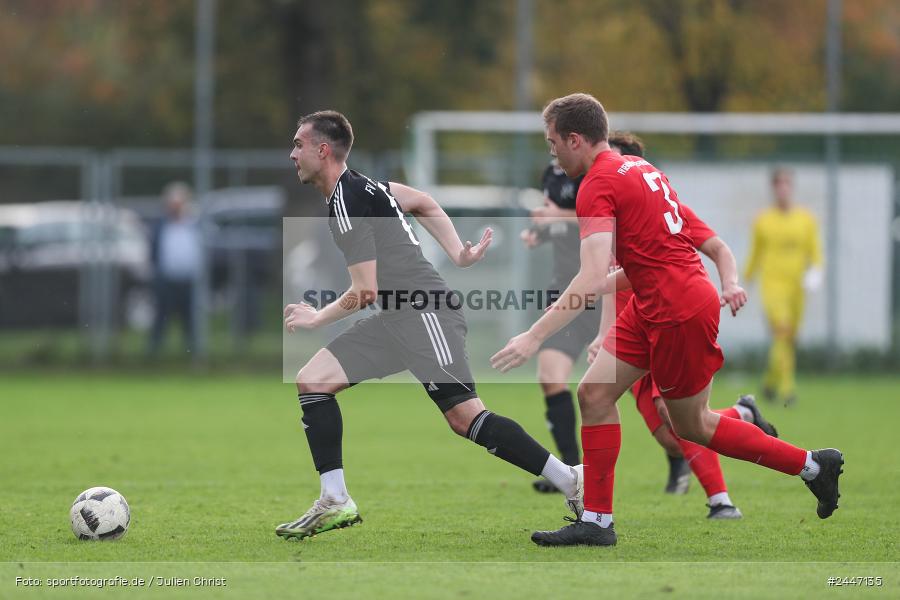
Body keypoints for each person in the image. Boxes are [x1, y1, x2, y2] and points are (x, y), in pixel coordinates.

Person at [491, 93, 843, 547]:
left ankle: (813, 465)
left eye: (553, 142)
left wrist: (533, 336)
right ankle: (597, 522)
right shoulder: (640, 168)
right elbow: (641, 264)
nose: (552, 154)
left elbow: (595, 273)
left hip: (677, 309)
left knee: (692, 426)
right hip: (653, 301)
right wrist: (589, 290)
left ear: (575, 139)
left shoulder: (596, 184)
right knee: (595, 394)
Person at [277, 110, 581, 540]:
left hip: (425, 312)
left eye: (298, 145)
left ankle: (571, 480)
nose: (293, 154)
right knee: (313, 381)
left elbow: (365, 289)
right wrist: (457, 252)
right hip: (396, 317)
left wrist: (317, 316)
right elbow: (421, 201)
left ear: (322, 150)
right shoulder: (364, 188)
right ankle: (335, 499)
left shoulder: (349, 199)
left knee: (464, 416)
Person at [592, 131, 780, 518]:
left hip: (665, 321)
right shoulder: (601, 215)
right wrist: (601, 334)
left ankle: (721, 501)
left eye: (614, 160)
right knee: (672, 438)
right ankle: (742, 413)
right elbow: (607, 285)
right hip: (628, 336)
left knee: (675, 418)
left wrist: (730, 284)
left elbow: (718, 248)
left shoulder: (661, 212)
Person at [519, 158, 590, 491]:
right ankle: (571, 471)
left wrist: (555, 216)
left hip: (605, 292)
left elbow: (603, 221)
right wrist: (539, 232)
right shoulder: (550, 173)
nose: (551, 148)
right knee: (550, 377)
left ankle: (681, 460)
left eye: (554, 139)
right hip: (565, 294)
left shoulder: (595, 171)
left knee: (650, 400)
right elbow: (562, 225)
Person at [745, 168, 823, 406]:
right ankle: (788, 391)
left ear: (792, 188)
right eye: (779, 185)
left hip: (797, 286)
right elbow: (755, 254)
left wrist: (816, 271)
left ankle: (769, 383)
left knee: (789, 338)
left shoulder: (806, 219)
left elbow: (815, 250)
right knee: (782, 331)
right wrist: (741, 282)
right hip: (772, 285)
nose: (783, 189)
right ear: (773, 189)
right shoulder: (763, 220)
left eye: (787, 184)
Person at [148, 182, 201, 356]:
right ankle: (154, 356)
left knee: (190, 321)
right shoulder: (161, 226)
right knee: (161, 319)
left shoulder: (194, 225)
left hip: (189, 281)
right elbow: (153, 252)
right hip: (166, 281)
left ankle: (192, 356)